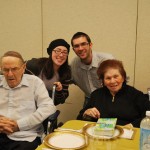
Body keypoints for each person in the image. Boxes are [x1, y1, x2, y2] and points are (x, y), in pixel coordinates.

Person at [0, 51, 56, 150]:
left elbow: (48, 107)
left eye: (14, 69)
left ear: (23, 68)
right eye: (5, 70)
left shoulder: (35, 83)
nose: (9, 74)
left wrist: (19, 125)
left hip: (25, 136)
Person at [77, 59, 150, 127]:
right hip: (101, 136)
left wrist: (131, 125)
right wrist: (86, 113)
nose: (112, 81)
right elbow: (79, 118)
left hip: (128, 135)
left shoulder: (136, 95)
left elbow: (148, 117)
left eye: (116, 77)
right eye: (108, 78)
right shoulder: (96, 95)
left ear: (123, 77)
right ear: (103, 81)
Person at [70, 32, 114, 107]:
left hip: (110, 99)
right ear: (73, 49)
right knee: (81, 118)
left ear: (90, 45)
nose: (80, 48)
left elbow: (121, 82)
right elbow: (66, 80)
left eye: (83, 44)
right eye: (76, 46)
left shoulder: (107, 60)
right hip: (89, 100)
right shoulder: (73, 64)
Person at [25, 39, 71, 105]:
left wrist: (59, 91)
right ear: (50, 52)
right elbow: (17, 69)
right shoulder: (36, 64)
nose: (61, 55)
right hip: (25, 103)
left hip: (44, 107)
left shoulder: (66, 72)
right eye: (57, 51)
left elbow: (61, 100)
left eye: (65, 52)